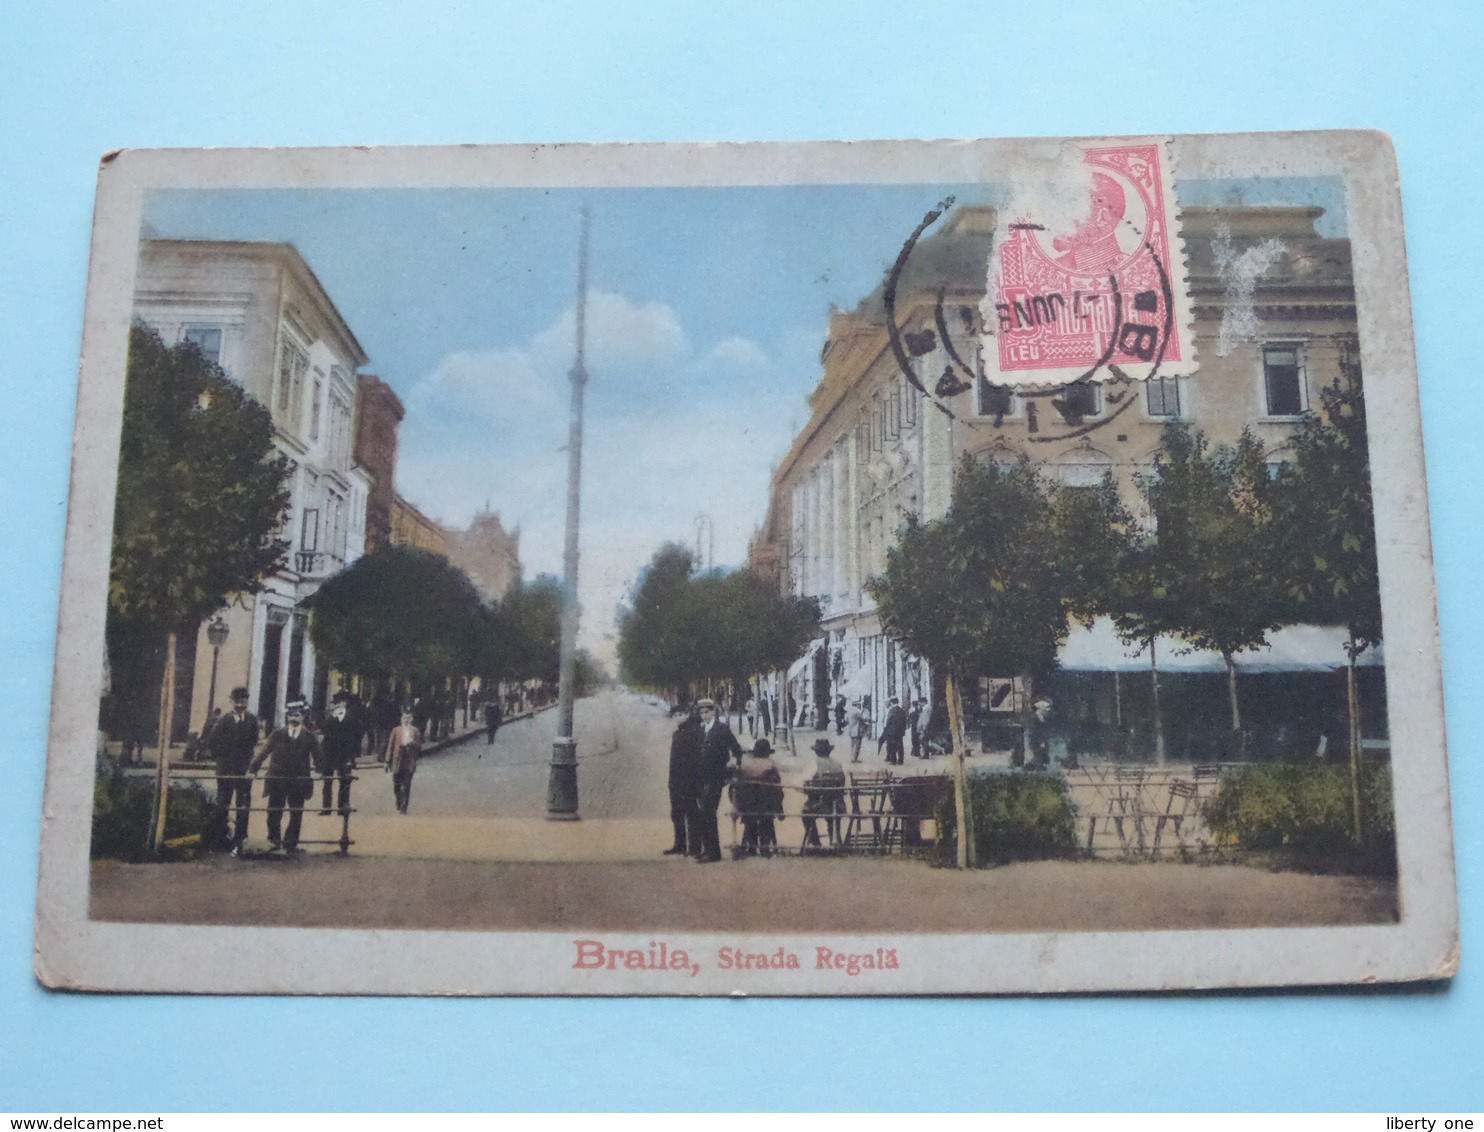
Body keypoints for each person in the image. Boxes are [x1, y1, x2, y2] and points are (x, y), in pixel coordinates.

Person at [249, 700, 322, 853]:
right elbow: (264, 751)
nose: (293, 719)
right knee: (274, 812)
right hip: (277, 779)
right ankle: (274, 841)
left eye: (296, 715)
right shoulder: (278, 734)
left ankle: (290, 844)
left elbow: (318, 756)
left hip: (299, 780)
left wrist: (322, 770)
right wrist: (253, 768)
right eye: (290, 715)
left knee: (296, 813)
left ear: (302, 717)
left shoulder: (309, 736)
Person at [206, 686, 258, 852]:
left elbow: (253, 741)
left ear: (246, 702)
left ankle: (241, 837)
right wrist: (222, 759)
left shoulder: (251, 720)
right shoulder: (223, 721)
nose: (240, 705)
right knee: (223, 801)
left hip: (243, 768)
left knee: (243, 802)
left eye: (243, 702)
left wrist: (248, 763)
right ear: (231, 702)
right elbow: (212, 742)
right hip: (226, 768)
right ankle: (220, 837)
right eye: (237, 702)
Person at [694, 697, 742, 863]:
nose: (704, 716)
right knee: (703, 814)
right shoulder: (700, 730)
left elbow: (737, 750)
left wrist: (734, 761)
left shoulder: (722, 730)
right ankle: (707, 849)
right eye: (701, 713)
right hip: (701, 778)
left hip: (716, 777)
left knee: (708, 812)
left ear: (713, 711)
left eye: (706, 712)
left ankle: (713, 853)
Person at [732, 738, 785, 857]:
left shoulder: (746, 767)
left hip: (748, 805)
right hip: (766, 806)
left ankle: (751, 845)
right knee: (767, 815)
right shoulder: (771, 766)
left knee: (751, 819)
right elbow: (777, 789)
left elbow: (736, 787)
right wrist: (779, 807)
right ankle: (765, 846)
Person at [665, 705, 702, 856]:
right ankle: (679, 844)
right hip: (676, 781)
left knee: (691, 814)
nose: (677, 718)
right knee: (677, 814)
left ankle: (693, 847)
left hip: (688, 780)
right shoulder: (678, 733)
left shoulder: (694, 732)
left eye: (680, 714)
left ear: (686, 715)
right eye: (675, 715)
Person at [318, 691, 363, 816]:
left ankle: (342, 808)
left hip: (344, 754)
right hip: (329, 753)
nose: (336, 706)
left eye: (338, 703)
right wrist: (331, 716)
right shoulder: (330, 717)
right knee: (327, 781)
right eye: (334, 703)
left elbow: (355, 738)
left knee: (344, 782)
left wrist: (352, 757)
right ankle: (326, 808)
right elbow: (323, 730)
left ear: (344, 703)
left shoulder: (352, 718)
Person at [801, 738, 847, 849]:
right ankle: (834, 838)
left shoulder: (813, 764)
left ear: (816, 751)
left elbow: (804, 783)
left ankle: (816, 842)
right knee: (833, 815)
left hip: (818, 804)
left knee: (805, 814)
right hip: (836, 804)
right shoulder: (837, 764)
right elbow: (842, 784)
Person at [385, 707, 422, 814]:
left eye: (408, 718)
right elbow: (390, 746)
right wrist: (387, 761)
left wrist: (412, 743)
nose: (406, 720)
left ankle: (404, 807)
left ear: (412, 719)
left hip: (409, 761)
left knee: (406, 785)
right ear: (401, 719)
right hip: (397, 760)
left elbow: (419, 746)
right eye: (404, 718)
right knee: (396, 784)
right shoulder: (396, 730)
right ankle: (398, 800)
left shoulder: (415, 731)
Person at [879, 696, 908, 766]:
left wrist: (886, 731)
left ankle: (893, 760)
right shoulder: (902, 710)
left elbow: (889, 722)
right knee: (900, 745)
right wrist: (903, 730)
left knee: (892, 746)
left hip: (892, 732)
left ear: (891, 703)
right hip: (900, 732)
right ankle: (900, 760)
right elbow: (905, 721)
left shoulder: (892, 711)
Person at [848, 698, 873, 763]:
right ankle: (854, 759)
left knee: (853, 744)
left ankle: (852, 757)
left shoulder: (849, 710)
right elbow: (862, 718)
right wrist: (869, 719)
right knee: (857, 745)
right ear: (856, 704)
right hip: (857, 730)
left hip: (851, 729)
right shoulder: (856, 711)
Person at [483, 686, 503, 752]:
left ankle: (491, 739)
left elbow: (498, 713)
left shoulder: (492, 706)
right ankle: (490, 739)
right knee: (491, 730)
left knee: (492, 729)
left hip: (492, 720)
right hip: (491, 720)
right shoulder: (491, 706)